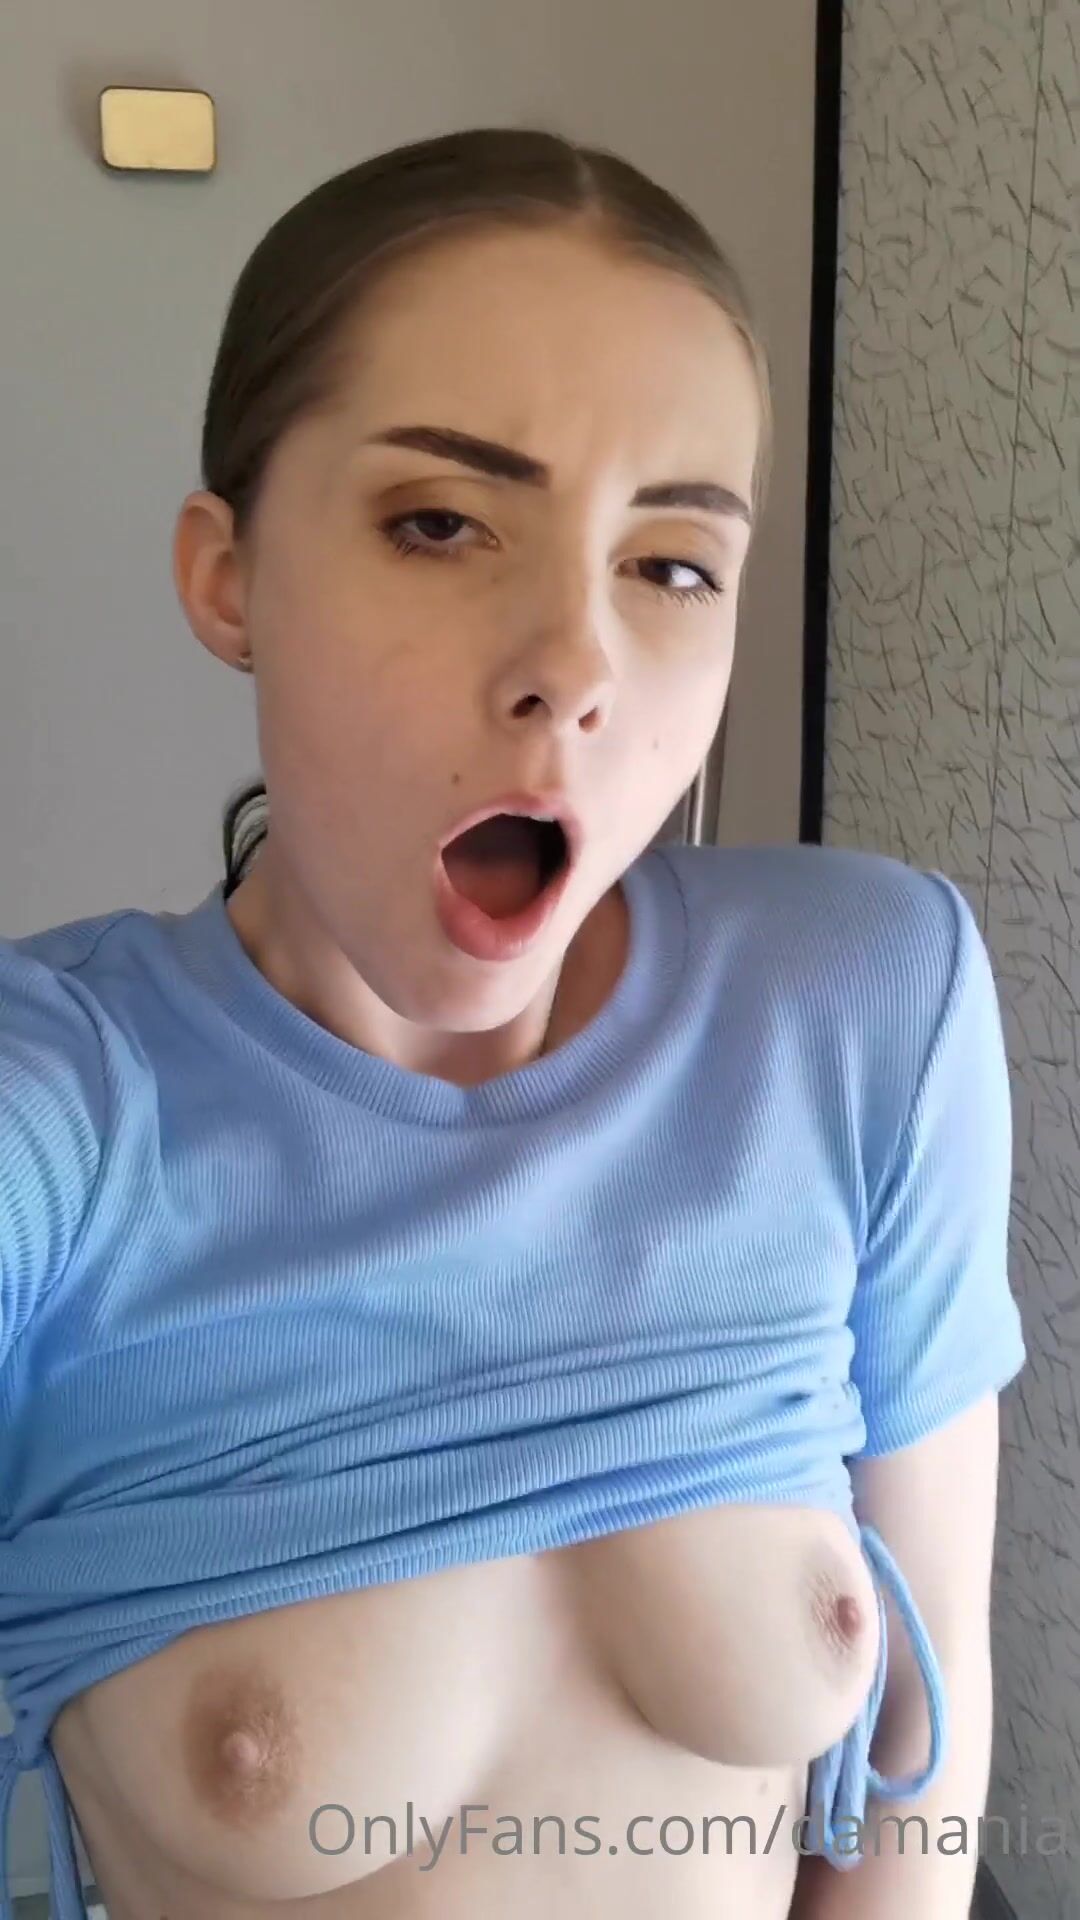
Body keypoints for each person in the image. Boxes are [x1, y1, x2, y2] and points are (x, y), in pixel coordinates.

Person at [0, 126, 1024, 1920]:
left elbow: (920, 1764)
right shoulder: (57, 1120)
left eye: (673, 565)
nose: (575, 663)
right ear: (229, 577)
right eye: (441, 522)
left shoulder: (871, 1002)